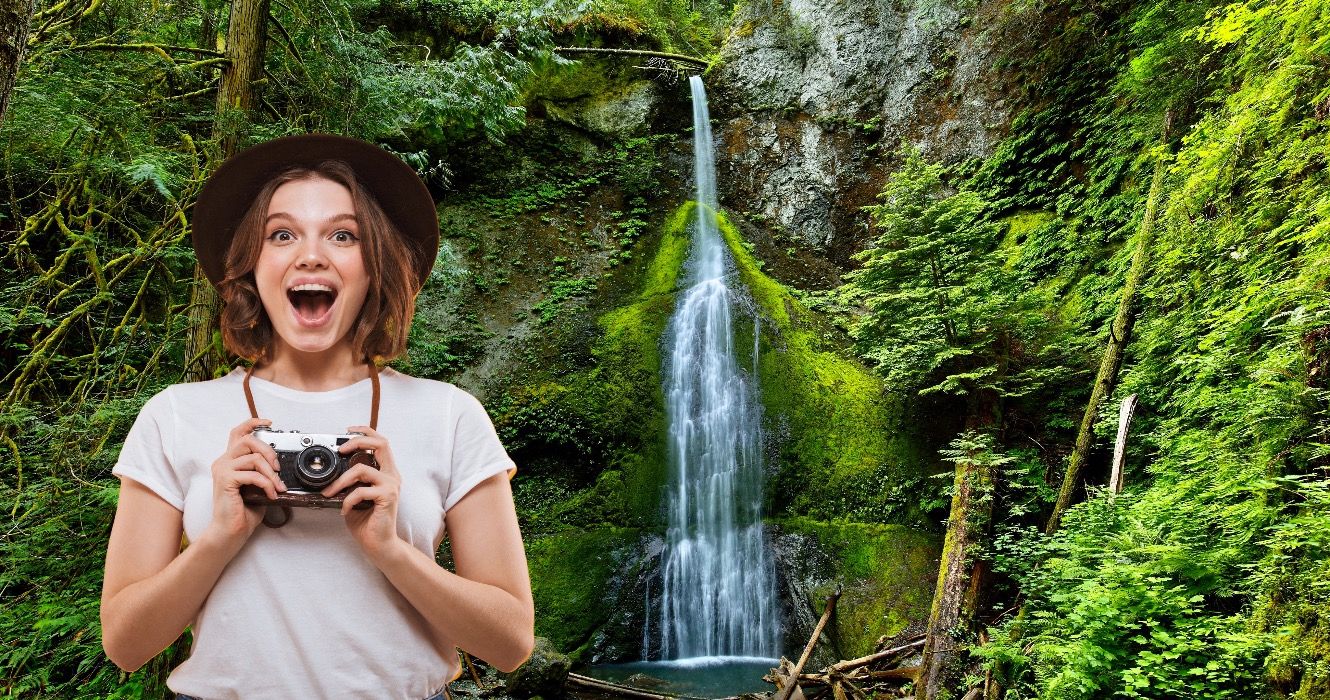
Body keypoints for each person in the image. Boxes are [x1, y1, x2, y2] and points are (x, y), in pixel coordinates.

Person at [99, 134, 533, 699]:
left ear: (374, 265)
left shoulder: (449, 414)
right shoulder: (174, 415)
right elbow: (126, 645)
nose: (311, 255)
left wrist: (389, 550)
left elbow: (511, 643)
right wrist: (221, 535)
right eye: (282, 234)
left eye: (343, 235)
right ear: (252, 265)